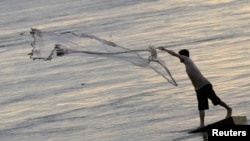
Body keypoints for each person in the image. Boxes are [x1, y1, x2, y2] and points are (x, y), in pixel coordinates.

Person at [158, 48, 232, 128]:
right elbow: (193, 79)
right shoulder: (187, 65)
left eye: (180, 56)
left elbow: (174, 54)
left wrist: (165, 49)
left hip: (205, 85)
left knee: (215, 100)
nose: (179, 58)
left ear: (182, 56)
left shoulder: (187, 60)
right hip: (199, 88)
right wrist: (195, 89)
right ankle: (202, 125)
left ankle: (229, 109)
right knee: (201, 107)